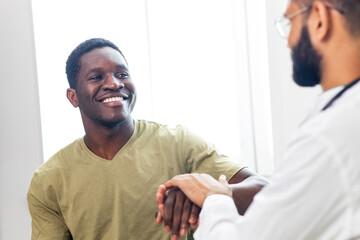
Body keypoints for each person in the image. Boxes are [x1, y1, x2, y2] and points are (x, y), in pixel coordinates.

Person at [27, 38, 268, 240]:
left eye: (122, 73)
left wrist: (209, 191)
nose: (114, 83)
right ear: (73, 97)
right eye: (97, 77)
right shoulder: (48, 181)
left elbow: (264, 191)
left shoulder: (179, 144)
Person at [157, 0, 360, 239]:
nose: (288, 41)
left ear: (319, 18)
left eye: (289, 21)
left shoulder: (332, 134)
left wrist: (214, 196)